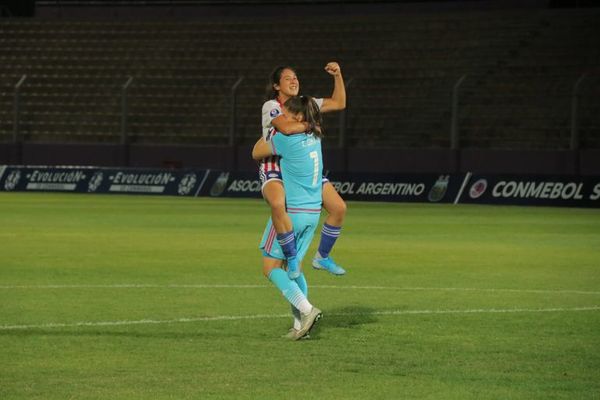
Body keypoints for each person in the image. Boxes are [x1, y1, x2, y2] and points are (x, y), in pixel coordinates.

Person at [259, 62, 347, 279]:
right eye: (288, 78)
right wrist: (311, 126)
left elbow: (339, 103)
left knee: (338, 208)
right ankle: (290, 257)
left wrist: (337, 76)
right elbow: (287, 128)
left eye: (295, 77)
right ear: (276, 86)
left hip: (302, 168)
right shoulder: (272, 105)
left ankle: (322, 256)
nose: (294, 80)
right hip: (275, 166)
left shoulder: (304, 104)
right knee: (279, 204)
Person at [252, 95, 325, 340]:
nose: (283, 118)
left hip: (290, 214)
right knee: (293, 269)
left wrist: (275, 129)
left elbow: (256, 152)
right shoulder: (315, 137)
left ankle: (306, 310)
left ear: (299, 117)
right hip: (313, 214)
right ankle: (299, 327)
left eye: (289, 114)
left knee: (270, 267)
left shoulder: (286, 140)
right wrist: (304, 125)